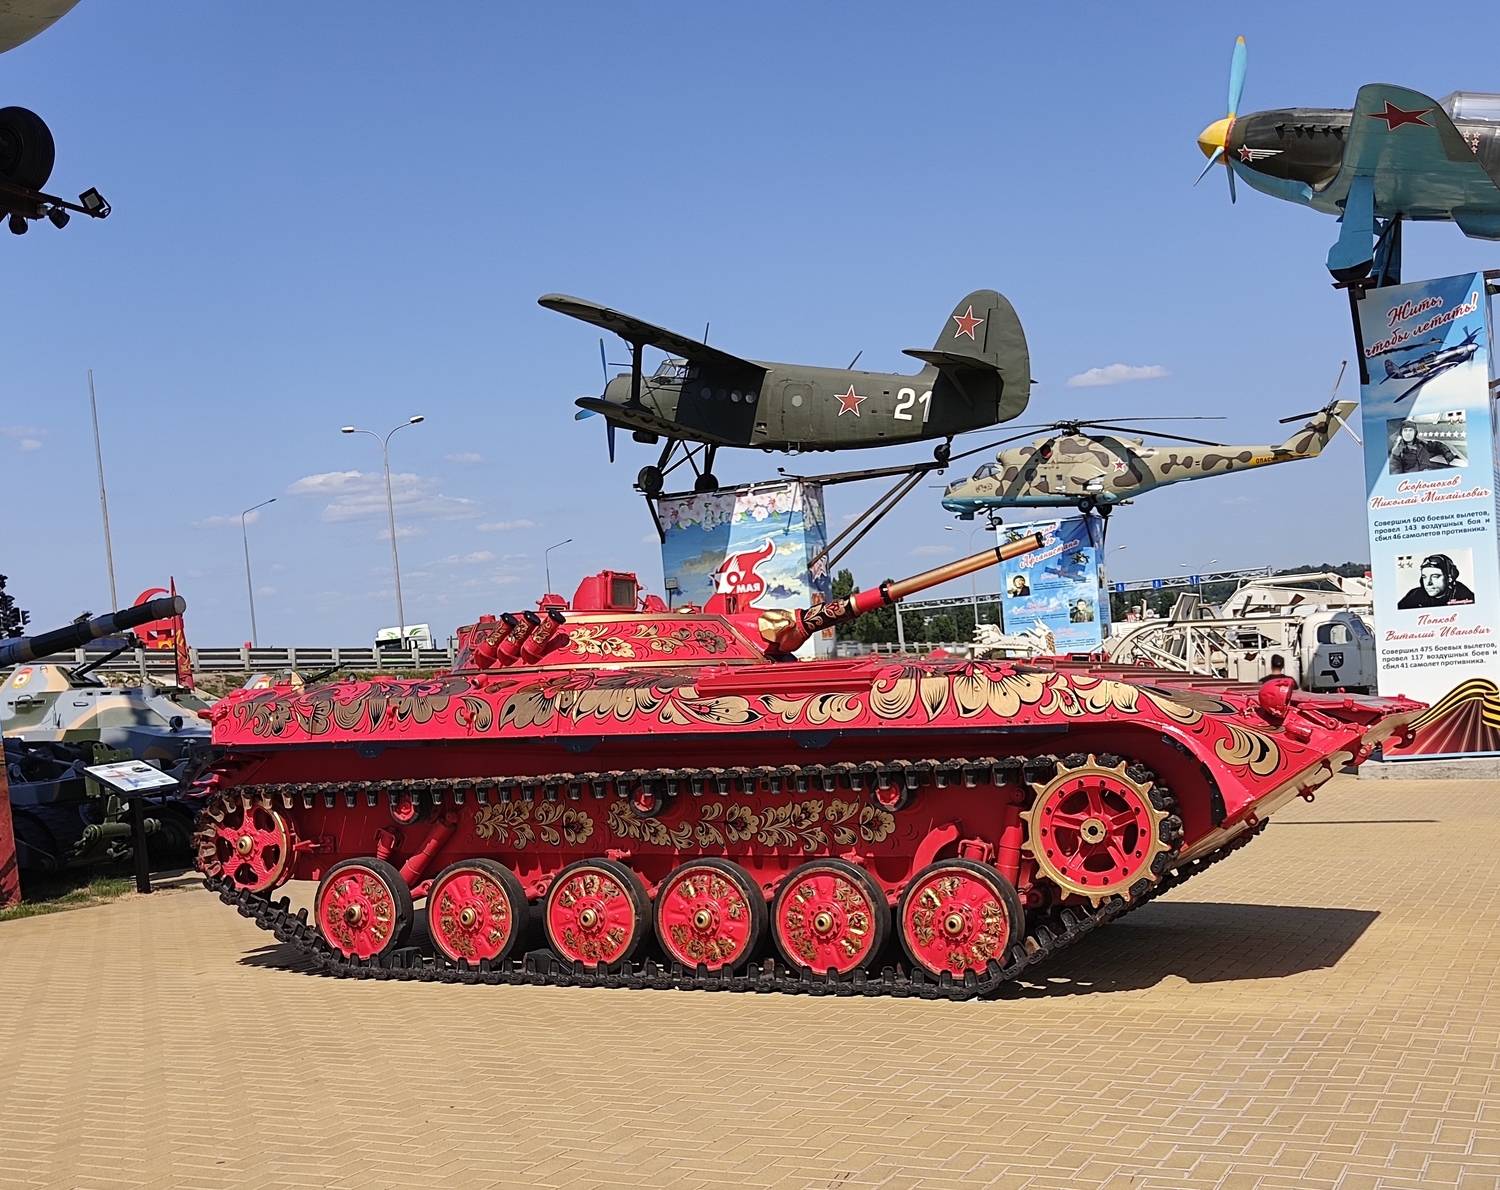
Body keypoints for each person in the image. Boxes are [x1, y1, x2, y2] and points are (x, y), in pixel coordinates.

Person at [1397, 554, 1476, 609]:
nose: (1428, 583)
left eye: (1435, 576)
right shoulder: (1415, 595)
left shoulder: (1464, 596)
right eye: (1424, 577)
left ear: (1450, 578)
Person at [1388, 422, 1458, 474]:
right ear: (1401, 433)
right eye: (1405, 430)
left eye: (1410, 430)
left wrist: (1447, 452)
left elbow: (1437, 445)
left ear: (1415, 433)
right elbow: (1396, 473)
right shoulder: (1396, 452)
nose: (1408, 433)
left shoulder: (1422, 444)